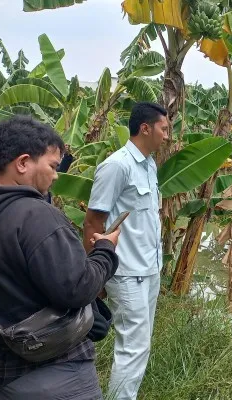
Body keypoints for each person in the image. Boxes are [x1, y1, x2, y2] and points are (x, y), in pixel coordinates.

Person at [0, 115, 121, 399]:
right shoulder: (34, 216)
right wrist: (105, 251)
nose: (56, 175)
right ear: (22, 163)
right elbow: (76, 288)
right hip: (50, 373)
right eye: (53, 166)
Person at [83, 102, 168, 400]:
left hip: (150, 270)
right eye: (164, 129)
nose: (167, 136)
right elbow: (94, 221)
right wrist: (94, 277)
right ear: (145, 128)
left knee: (139, 344)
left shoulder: (149, 164)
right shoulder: (116, 166)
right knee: (133, 347)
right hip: (126, 272)